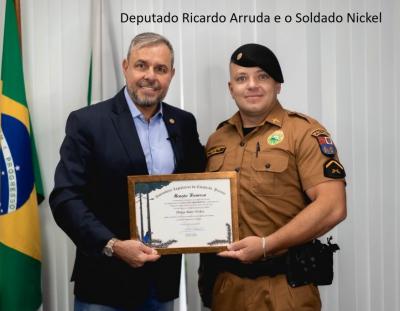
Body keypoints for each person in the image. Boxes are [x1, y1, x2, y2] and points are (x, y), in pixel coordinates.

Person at [50, 32, 205, 311]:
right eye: (141, 65)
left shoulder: (182, 123)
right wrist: (113, 245)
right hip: (103, 284)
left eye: (160, 69)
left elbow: (198, 186)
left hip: (160, 285)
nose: (150, 76)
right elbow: (65, 198)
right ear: (125, 67)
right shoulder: (88, 122)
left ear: (172, 74)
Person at [198, 43, 347, 311]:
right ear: (231, 88)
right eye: (241, 78)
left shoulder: (303, 132)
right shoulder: (217, 139)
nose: (251, 85)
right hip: (227, 288)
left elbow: (333, 206)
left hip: (285, 290)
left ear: (278, 84)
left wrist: (267, 245)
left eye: (262, 76)